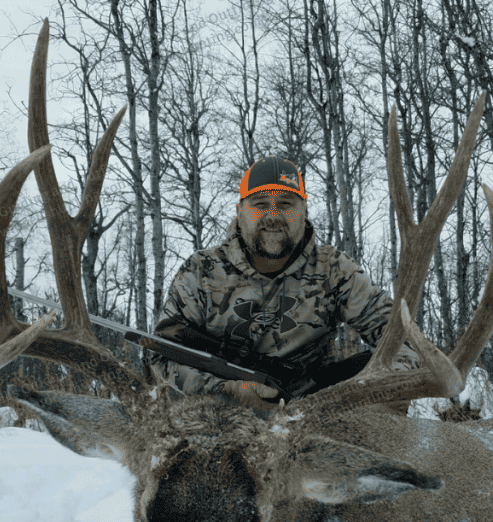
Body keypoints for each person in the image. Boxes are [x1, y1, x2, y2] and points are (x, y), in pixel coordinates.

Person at [151, 156, 418, 411]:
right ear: (240, 210)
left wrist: (385, 385)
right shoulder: (202, 271)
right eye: (260, 204)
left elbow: (399, 335)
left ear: (304, 210)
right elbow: (160, 358)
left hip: (313, 407)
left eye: (286, 204)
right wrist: (226, 391)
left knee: (369, 365)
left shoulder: (335, 270)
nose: (273, 215)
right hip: (216, 414)